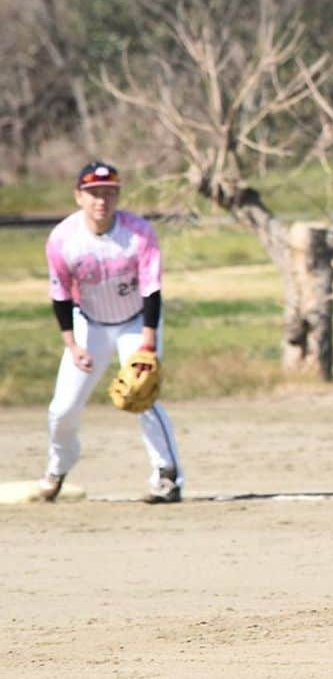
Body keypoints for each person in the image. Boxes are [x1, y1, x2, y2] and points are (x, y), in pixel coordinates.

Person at [38, 161, 184, 504]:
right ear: (78, 197)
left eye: (108, 193)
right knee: (62, 409)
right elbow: (59, 296)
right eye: (93, 194)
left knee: (142, 394)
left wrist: (148, 340)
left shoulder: (138, 233)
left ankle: (167, 476)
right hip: (88, 324)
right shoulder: (63, 239)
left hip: (136, 323)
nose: (101, 200)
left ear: (117, 196)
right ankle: (57, 468)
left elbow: (152, 289)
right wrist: (72, 345)